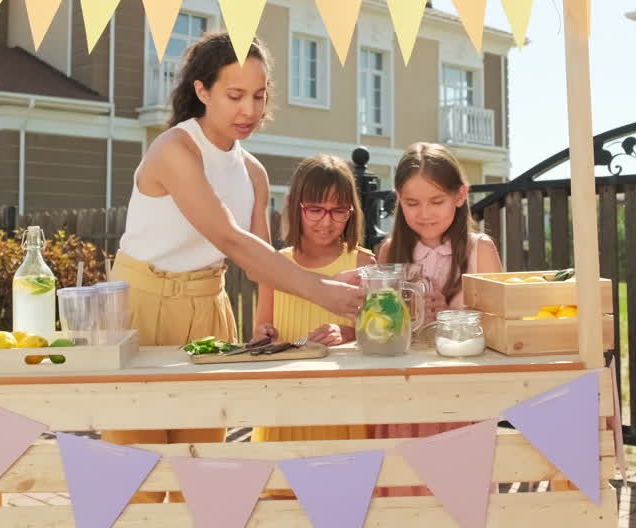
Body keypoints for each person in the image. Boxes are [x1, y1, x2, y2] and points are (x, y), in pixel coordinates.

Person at [99, 32, 363, 503]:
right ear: (202, 91)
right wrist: (321, 291)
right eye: (235, 95)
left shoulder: (254, 172)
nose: (249, 110)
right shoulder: (174, 149)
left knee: (199, 471)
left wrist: (327, 286)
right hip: (140, 309)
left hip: (210, 312)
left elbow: (264, 262)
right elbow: (228, 238)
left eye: (259, 97)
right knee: (134, 475)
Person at [370, 141, 502, 497]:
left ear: (460, 196)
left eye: (436, 201)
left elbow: (498, 331)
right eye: (412, 203)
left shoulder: (479, 250)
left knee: (456, 498)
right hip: (401, 398)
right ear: (398, 198)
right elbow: (379, 330)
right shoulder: (388, 251)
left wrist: (449, 317)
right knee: (400, 493)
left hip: (459, 400)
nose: (424, 213)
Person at [251, 155, 375, 457]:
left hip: (344, 406)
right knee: (283, 493)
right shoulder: (276, 266)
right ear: (295, 205)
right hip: (286, 405)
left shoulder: (363, 263)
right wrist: (264, 335)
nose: (326, 221)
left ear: (351, 212)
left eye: (338, 211)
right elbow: (260, 332)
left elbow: (380, 334)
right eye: (315, 210)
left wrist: (349, 332)